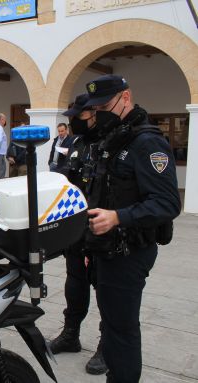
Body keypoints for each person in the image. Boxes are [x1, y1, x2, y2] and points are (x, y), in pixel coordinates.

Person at [80, 75, 181, 383]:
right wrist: (90, 247)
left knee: (122, 329)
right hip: (107, 250)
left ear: (126, 97)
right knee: (111, 324)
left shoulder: (147, 142)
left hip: (130, 250)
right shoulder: (114, 137)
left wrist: (118, 218)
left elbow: (167, 203)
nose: (100, 113)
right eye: (95, 108)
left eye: (105, 105)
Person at [48, 93, 108, 375]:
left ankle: (107, 345)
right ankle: (70, 334)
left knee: (106, 291)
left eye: (78, 117)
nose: (73, 123)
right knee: (75, 285)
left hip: (104, 230)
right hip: (77, 232)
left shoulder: (110, 144)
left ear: (94, 113)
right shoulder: (78, 146)